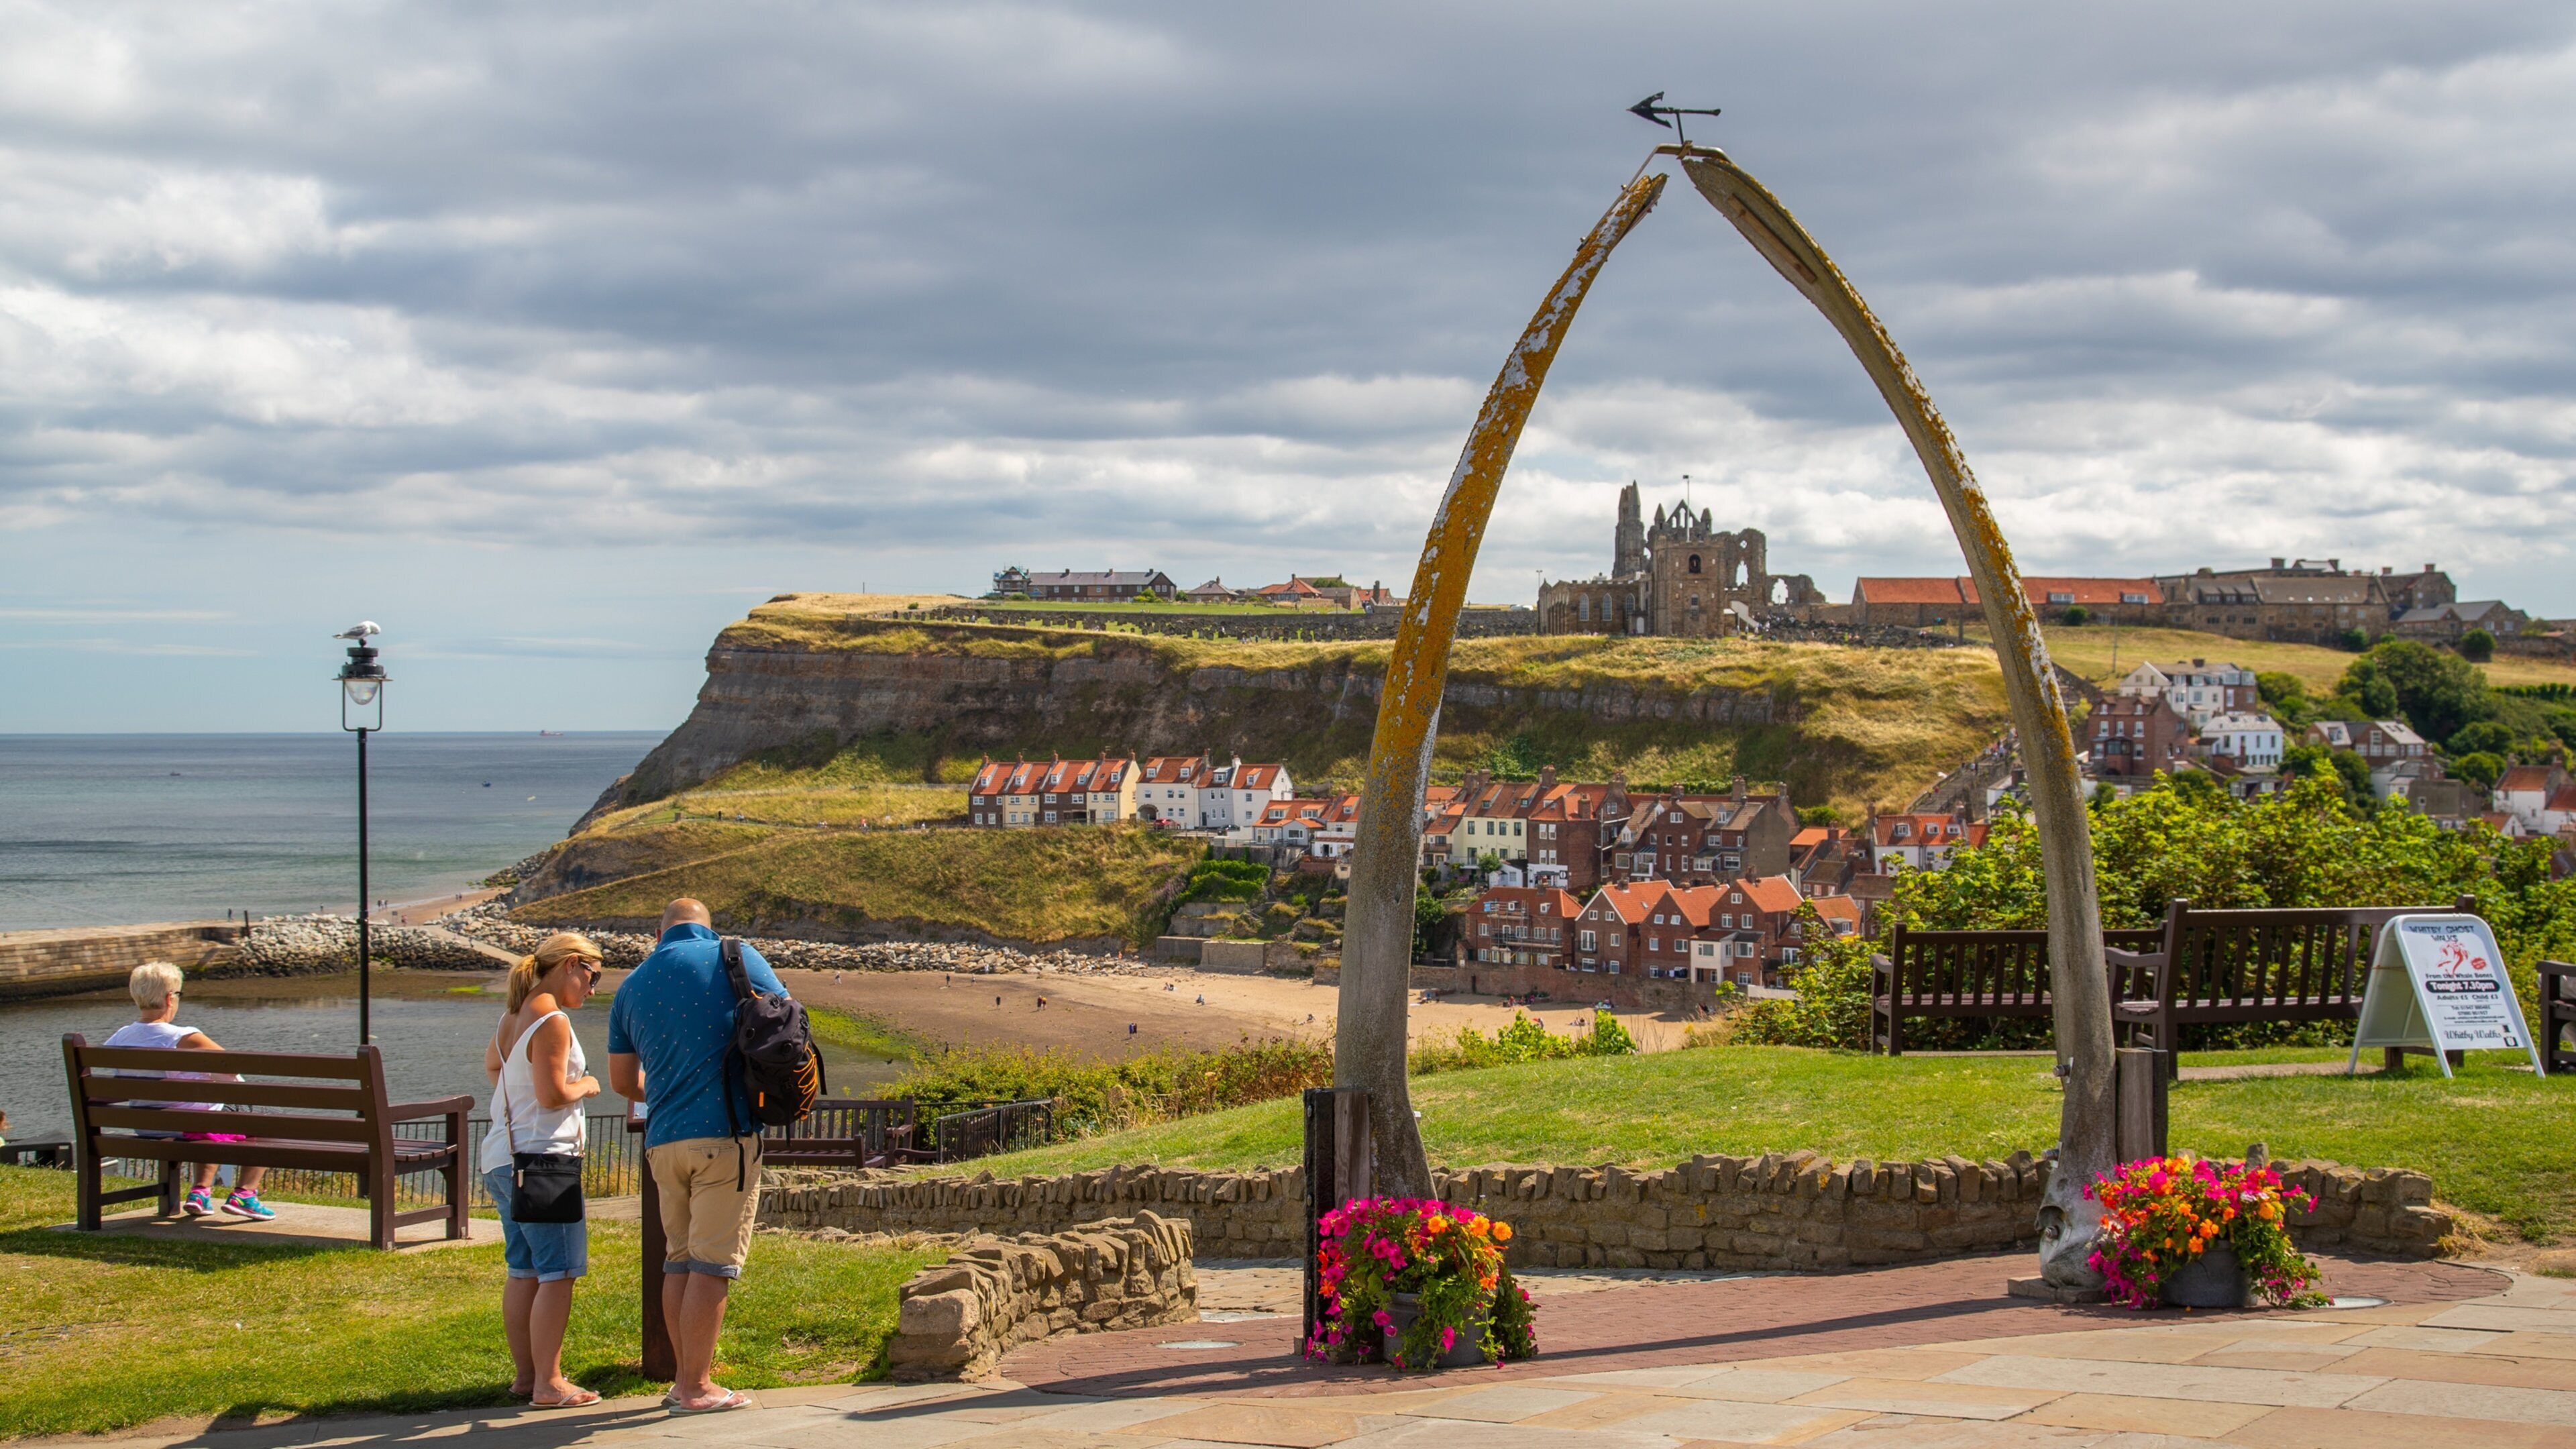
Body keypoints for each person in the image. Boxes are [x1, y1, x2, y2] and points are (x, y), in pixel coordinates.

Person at [608, 900, 788, 1415]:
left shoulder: (632, 985)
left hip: (663, 1141)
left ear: (657, 931)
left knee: (680, 1261)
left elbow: (623, 1082)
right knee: (712, 1264)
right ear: (707, 927)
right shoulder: (736, 956)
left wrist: (667, 1085)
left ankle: (682, 1380)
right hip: (725, 1133)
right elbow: (788, 1023)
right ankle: (695, 1387)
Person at [480, 932, 605, 1409]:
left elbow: (494, 1068)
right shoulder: (552, 1019)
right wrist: (587, 1084)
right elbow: (554, 1095)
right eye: (592, 978)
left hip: (504, 1157)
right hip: (544, 1161)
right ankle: (549, 1384)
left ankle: (527, 1376)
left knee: (524, 1270)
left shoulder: (512, 1016)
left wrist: (522, 1096)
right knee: (559, 1272)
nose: (592, 991)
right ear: (572, 964)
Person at [103, 961, 273, 1220]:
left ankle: (201, 1193)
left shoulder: (118, 1038)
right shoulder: (186, 1037)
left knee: (208, 1113)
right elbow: (234, 1075)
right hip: (187, 1126)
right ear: (170, 998)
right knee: (265, 1118)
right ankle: (245, 1193)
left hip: (146, 1125)